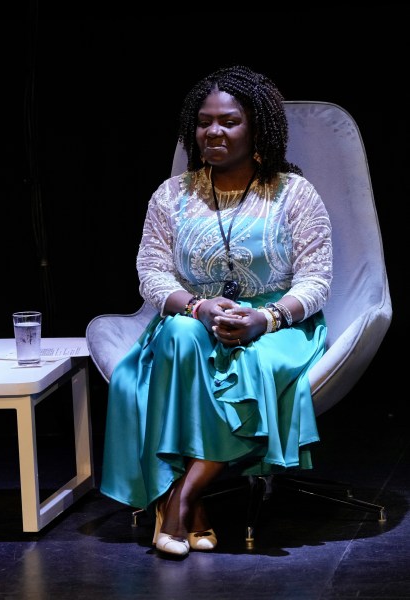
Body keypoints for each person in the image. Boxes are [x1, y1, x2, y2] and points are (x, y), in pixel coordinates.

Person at [99, 65, 332, 557]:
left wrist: (264, 319)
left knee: (249, 366)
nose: (214, 132)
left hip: (276, 326)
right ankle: (191, 509)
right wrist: (198, 308)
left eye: (228, 122)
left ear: (257, 128)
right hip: (193, 318)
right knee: (179, 338)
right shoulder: (172, 196)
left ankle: (180, 499)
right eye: (205, 122)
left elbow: (317, 280)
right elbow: (152, 272)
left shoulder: (295, 194)